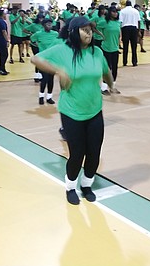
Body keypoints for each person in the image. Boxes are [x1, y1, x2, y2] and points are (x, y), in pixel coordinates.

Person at [31, 16, 118, 205]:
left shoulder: (97, 52)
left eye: (90, 30)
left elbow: (105, 71)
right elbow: (36, 58)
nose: (88, 33)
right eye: (84, 29)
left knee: (94, 152)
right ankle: (70, 186)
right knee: (77, 153)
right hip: (71, 112)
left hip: (95, 109)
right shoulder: (63, 50)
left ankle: (86, 185)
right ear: (73, 32)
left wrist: (111, 85)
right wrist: (58, 71)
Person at [30, 18, 61, 104]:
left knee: (51, 79)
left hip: (53, 60)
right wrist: (37, 45)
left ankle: (49, 97)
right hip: (42, 60)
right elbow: (32, 40)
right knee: (44, 78)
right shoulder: (38, 34)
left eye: (50, 24)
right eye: (48, 24)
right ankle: (41, 96)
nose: (50, 26)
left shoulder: (55, 34)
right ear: (43, 25)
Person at [99, 6, 122, 94]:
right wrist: (100, 35)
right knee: (107, 68)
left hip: (115, 48)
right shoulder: (104, 22)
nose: (115, 13)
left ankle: (112, 86)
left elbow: (119, 33)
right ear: (109, 13)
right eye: (113, 11)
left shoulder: (117, 23)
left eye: (116, 11)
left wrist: (119, 40)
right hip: (106, 48)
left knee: (115, 68)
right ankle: (104, 88)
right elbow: (94, 26)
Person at [119, 0, 140, 66]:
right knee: (134, 46)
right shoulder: (136, 11)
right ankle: (134, 62)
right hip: (134, 28)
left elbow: (121, 22)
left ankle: (125, 62)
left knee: (125, 46)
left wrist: (121, 32)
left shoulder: (122, 11)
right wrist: (138, 31)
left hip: (125, 28)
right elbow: (139, 21)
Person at [0, 10, 10, 75]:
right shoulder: (1, 22)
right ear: (2, 14)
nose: (5, 15)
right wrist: (7, 40)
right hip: (2, 40)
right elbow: (4, 31)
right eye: (5, 14)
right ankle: (1, 68)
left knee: (2, 55)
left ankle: (1, 68)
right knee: (5, 55)